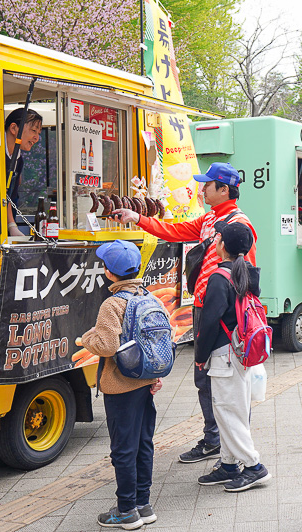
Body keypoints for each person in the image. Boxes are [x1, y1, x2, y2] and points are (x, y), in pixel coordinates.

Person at [112, 162, 257, 466]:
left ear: (224, 190)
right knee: (205, 378)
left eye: (207, 185)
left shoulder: (237, 225)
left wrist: (230, 317)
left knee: (223, 381)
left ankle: (234, 450)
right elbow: (175, 231)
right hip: (205, 307)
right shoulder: (209, 219)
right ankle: (216, 439)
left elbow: (248, 279)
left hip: (223, 315)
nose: (202, 189)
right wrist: (137, 217)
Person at [78, 240, 162, 530]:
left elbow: (107, 345)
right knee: (143, 444)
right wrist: (156, 375)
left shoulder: (112, 304)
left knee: (123, 450)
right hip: (146, 383)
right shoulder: (150, 298)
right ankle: (143, 504)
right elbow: (162, 339)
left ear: (109, 273)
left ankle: (126, 510)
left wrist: (85, 339)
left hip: (120, 386)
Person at [193, 221, 271, 491]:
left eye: (217, 238)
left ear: (222, 245)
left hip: (224, 353)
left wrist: (200, 357)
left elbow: (209, 322)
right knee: (232, 408)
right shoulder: (246, 273)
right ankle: (228, 464)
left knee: (228, 412)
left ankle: (253, 467)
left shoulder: (218, 278)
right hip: (242, 350)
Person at [3, 107, 43, 238]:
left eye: (38, 132)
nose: (36, 137)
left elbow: (9, 194)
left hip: (6, 224)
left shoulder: (18, 159)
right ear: (14, 129)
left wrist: (11, 226)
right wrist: (12, 226)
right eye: (33, 130)